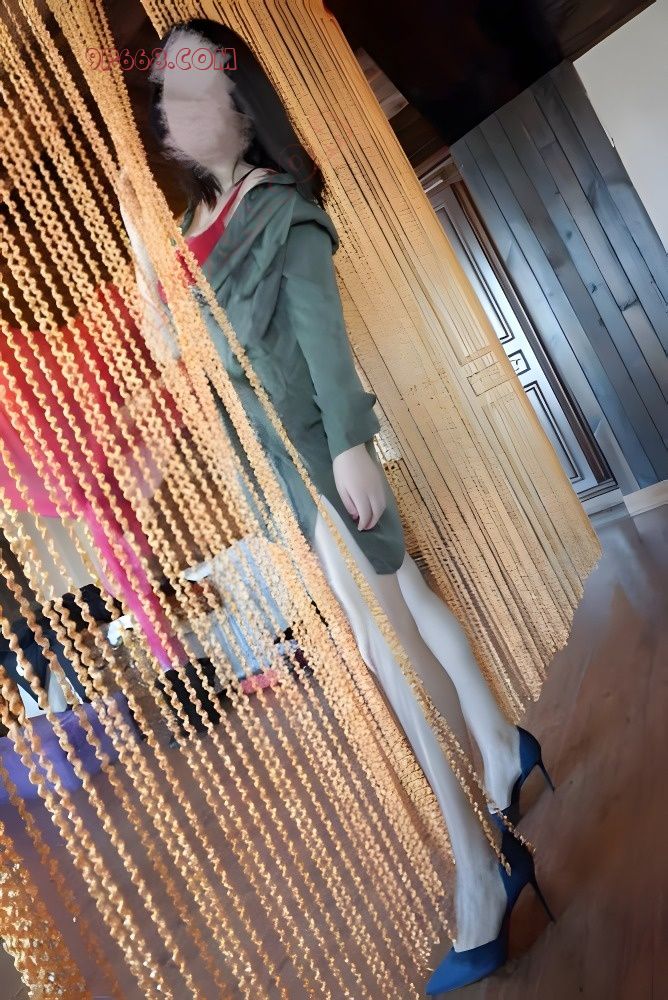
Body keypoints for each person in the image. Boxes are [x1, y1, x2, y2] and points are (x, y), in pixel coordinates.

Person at [118, 18, 555, 993]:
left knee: (388, 653)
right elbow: (171, 348)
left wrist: (353, 446)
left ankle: (481, 871)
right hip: (277, 479)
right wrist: (137, 242)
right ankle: (499, 748)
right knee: (393, 627)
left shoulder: (279, 209)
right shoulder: (193, 228)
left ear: (241, 106)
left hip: (324, 460)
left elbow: (323, 339)